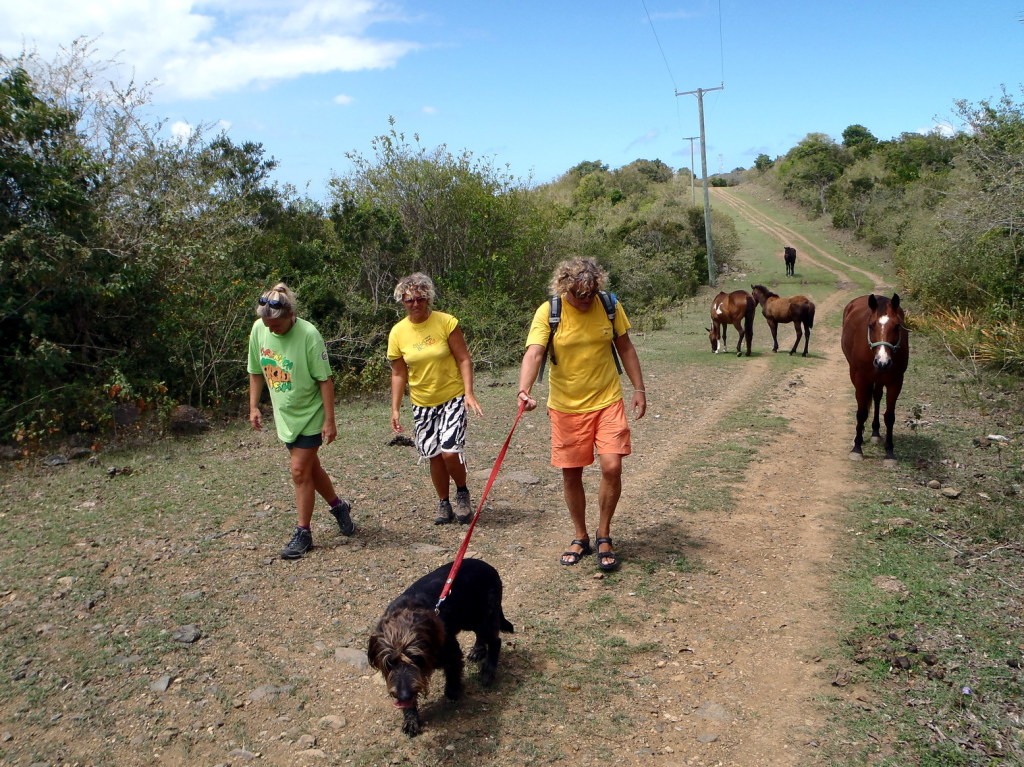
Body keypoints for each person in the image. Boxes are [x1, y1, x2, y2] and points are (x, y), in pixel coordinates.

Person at [516, 257, 646, 571]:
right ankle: (580, 535)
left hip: (607, 400)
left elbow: (625, 347)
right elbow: (534, 352)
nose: (585, 300)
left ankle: (604, 533)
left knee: (612, 466)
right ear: (565, 288)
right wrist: (524, 389)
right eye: (578, 294)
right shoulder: (549, 312)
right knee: (571, 473)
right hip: (566, 406)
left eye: (590, 294)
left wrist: (639, 389)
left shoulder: (610, 305)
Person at [247, 282, 354, 559]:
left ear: (290, 314)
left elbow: (325, 379)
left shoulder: (309, 334)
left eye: (276, 325)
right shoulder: (260, 328)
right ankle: (339, 506)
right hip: (285, 416)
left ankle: (303, 533)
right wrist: (254, 405)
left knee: (298, 472)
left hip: (310, 414)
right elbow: (256, 370)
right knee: (310, 469)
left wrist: (330, 421)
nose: (271, 330)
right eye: (267, 325)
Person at [387, 273, 484, 526]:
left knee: (451, 451)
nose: (415, 304)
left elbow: (464, 358)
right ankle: (444, 502)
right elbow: (399, 372)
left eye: (420, 298)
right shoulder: (398, 332)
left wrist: (469, 393)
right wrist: (395, 408)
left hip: (452, 396)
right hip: (422, 402)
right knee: (434, 454)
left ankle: (462, 491)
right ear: (402, 302)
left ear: (428, 298)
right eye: (409, 300)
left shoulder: (446, 322)